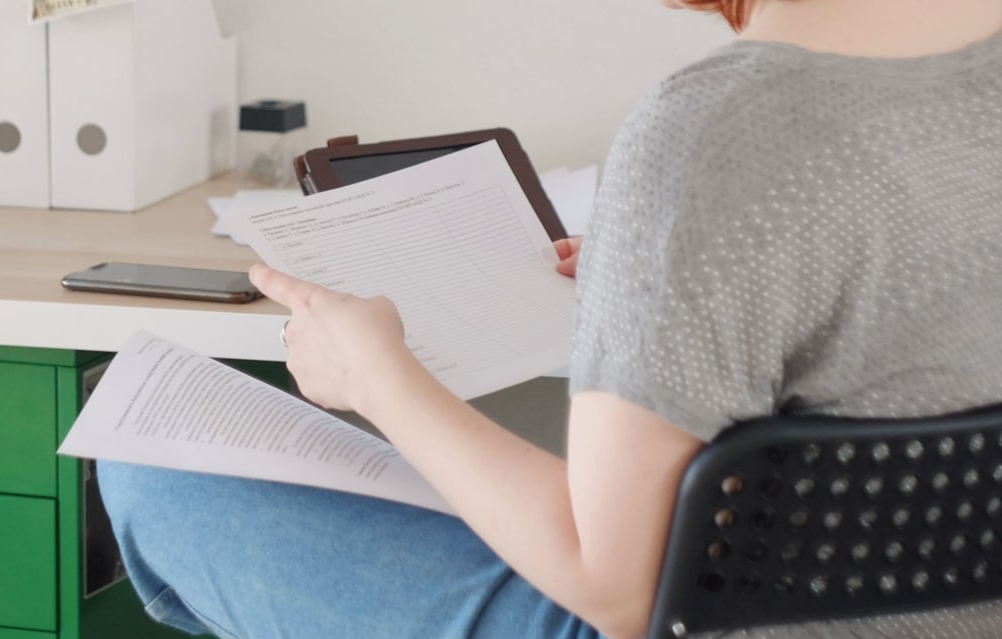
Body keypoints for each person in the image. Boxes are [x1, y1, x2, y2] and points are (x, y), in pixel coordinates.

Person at [97, 0, 1002, 636]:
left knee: (150, 468)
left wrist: (376, 375)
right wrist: (650, 288)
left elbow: (616, 589)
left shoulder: (717, 128)